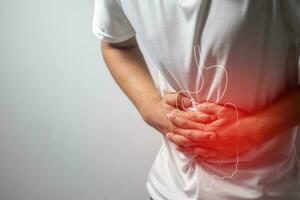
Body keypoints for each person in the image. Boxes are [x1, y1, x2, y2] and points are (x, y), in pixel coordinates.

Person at [92, 0, 300, 199]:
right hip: (169, 189)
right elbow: (116, 44)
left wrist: (254, 129)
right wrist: (151, 108)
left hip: (270, 191)